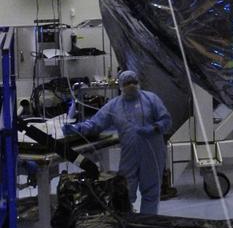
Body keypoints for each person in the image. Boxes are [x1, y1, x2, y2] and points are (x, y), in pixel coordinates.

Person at [64, 69, 171, 214]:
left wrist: (155, 127)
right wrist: (78, 128)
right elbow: (96, 123)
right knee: (124, 190)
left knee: (151, 191)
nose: (131, 85)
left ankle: (147, 224)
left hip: (152, 154)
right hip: (129, 155)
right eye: (127, 83)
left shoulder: (151, 99)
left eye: (134, 82)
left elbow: (166, 120)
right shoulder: (114, 106)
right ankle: (126, 223)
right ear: (120, 85)